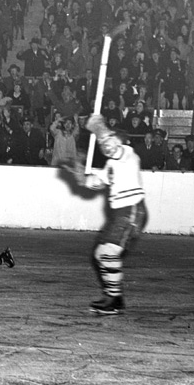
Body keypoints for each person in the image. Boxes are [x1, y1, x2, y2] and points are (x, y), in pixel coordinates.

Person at [61, 114, 147, 314]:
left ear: (120, 141)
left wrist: (98, 126)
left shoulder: (128, 154)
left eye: (109, 140)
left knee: (108, 253)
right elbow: (92, 183)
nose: (104, 145)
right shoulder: (112, 165)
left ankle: (113, 299)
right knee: (101, 254)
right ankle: (114, 298)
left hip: (131, 210)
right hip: (121, 214)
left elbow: (111, 147)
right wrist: (78, 171)